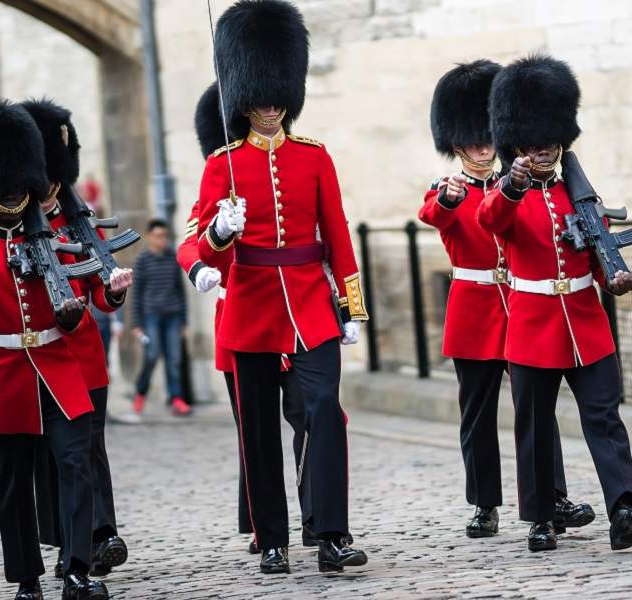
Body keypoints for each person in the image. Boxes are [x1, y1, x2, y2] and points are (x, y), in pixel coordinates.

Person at [193, 0, 368, 574]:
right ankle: (271, 537)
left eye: (277, 96)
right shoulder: (222, 164)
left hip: (311, 307)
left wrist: (351, 305)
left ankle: (332, 533)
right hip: (251, 306)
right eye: (260, 96)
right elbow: (199, 240)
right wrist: (221, 232)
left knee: (322, 410)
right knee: (261, 432)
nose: (269, 107)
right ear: (244, 97)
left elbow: (337, 233)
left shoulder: (314, 157)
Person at [477, 55, 632, 552]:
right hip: (534, 325)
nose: (542, 152)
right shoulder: (506, 194)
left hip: (585, 322)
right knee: (535, 427)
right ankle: (541, 516)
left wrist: (614, 277)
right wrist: (512, 184)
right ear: (516, 145)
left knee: (605, 417)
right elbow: (488, 221)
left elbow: (595, 247)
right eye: (533, 145)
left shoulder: (576, 195)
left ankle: (624, 508)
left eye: (550, 144)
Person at [0, 101, 110, 600]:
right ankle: (26, 580)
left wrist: (76, 313)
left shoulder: (53, 240)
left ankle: (76, 568)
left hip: (57, 368)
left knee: (74, 466)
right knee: (13, 486)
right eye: (0, 183)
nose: (10, 191)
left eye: (16, 180)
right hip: (6, 378)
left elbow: (85, 289)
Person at [420, 60, 594, 540]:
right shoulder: (448, 188)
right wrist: (451, 199)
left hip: (522, 307)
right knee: (477, 415)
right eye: (472, 141)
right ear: (456, 145)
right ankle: (484, 503)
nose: (483, 148)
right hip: (475, 310)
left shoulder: (514, 185)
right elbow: (433, 213)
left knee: (536, 410)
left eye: (487, 138)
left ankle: (553, 496)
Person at [22, 98, 133, 579]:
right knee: (55, 456)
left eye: (53, 181)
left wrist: (113, 293)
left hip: (85, 356)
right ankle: (73, 537)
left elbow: (99, 294)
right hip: (42, 359)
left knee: (90, 447)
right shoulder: (18, 230)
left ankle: (102, 531)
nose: (48, 190)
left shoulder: (78, 222)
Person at [132, 219, 190, 416]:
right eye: (158, 236)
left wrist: (183, 320)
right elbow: (136, 294)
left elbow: (180, 291)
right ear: (149, 237)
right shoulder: (142, 260)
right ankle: (140, 392)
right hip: (151, 317)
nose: (162, 240)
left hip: (173, 316)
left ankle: (176, 398)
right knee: (151, 356)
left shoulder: (173, 258)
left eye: (165, 236)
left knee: (174, 359)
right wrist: (137, 324)